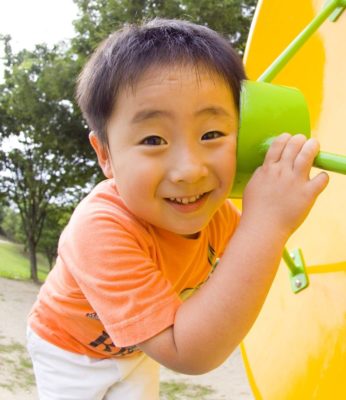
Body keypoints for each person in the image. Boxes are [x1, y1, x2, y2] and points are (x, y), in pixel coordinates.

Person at [26, 18, 329, 399]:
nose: (189, 170)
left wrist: (271, 212)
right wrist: (266, 225)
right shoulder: (100, 228)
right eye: (153, 139)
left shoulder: (221, 219)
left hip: (136, 348)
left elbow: (249, 268)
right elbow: (188, 351)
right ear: (105, 154)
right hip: (70, 351)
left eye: (212, 134)